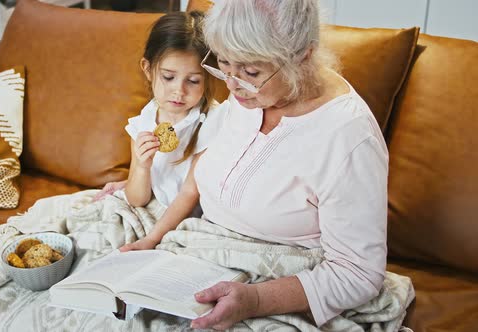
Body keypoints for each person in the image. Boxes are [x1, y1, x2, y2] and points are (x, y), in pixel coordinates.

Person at [123, 0, 390, 329]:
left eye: (250, 72)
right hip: (193, 247)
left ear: (302, 58)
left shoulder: (348, 139)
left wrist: (256, 299)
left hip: (271, 281)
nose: (232, 86)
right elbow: (196, 178)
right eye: (222, 63)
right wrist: (148, 225)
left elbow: (358, 273)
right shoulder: (250, 94)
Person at [93, 11, 220, 250]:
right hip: (157, 203)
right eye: (169, 77)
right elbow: (137, 198)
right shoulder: (145, 120)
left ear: (207, 78)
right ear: (148, 69)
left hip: (192, 215)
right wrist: (141, 167)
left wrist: (151, 239)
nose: (179, 91)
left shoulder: (211, 121)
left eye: (193, 81)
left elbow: (190, 193)